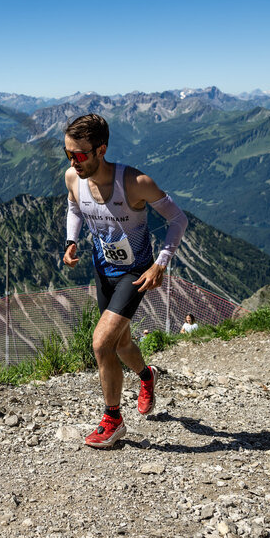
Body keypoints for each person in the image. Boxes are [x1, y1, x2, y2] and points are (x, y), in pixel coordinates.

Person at [62, 113, 189, 448]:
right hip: (102, 269)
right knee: (120, 344)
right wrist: (70, 241)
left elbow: (178, 219)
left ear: (101, 150)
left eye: (79, 155)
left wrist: (160, 264)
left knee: (101, 343)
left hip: (135, 273)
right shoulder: (72, 179)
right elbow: (75, 209)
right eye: (67, 154)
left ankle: (112, 420)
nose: (73, 162)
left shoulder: (135, 182)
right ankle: (147, 376)